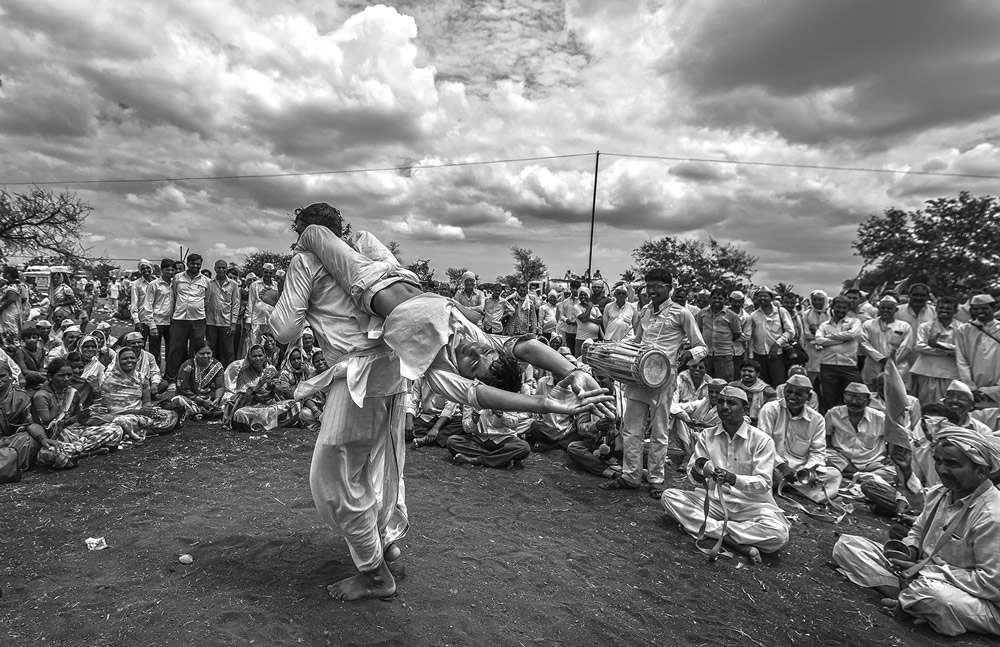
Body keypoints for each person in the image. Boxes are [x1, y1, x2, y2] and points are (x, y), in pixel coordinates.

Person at [275, 205, 613, 602]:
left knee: (332, 481)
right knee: (380, 469)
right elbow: (522, 344)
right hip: (387, 322)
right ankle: (382, 542)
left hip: (364, 369)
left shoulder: (434, 367)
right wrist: (571, 371)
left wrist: (547, 405)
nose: (475, 354)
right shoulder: (467, 331)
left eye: (475, 364)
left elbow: (284, 330)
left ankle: (375, 575)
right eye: (482, 357)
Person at [833, 427, 1000, 636]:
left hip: (979, 599)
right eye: (938, 460)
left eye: (952, 464)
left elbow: (991, 583)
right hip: (921, 574)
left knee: (932, 595)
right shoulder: (939, 494)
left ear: (981, 471)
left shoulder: (993, 515)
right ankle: (909, 598)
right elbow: (919, 530)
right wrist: (910, 549)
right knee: (848, 545)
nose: (942, 470)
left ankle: (911, 597)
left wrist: (924, 570)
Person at [601, 268, 707, 499]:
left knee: (659, 431)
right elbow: (636, 339)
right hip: (639, 376)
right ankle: (630, 475)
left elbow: (702, 346)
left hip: (663, 380)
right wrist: (614, 348)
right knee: (630, 428)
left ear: (669, 288)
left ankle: (656, 479)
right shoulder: (644, 312)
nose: (651, 290)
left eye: (657, 286)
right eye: (648, 286)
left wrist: (690, 354)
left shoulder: (682, 314)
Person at [661, 385, 791, 563]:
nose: (724, 406)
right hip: (714, 501)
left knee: (779, 534)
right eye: (721, 402)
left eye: (731, 403)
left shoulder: (762, 441)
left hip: (750, 505)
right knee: (669, 497)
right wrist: (698, 474)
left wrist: (733, 478)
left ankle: (713, 531)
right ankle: (736, 541)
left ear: (745, 410)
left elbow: (763, 483)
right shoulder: (707, 436)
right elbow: (694, 473)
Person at [757, 374, 841, 502]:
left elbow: (818, 452)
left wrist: (807, 472)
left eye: (798, 394)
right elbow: (762, 444)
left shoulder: (817, 419)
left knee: (834, 474)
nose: (791, 397)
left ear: (809, 397)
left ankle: (787, 486)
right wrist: (781, 466)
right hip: (772, 466)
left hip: (800, 472)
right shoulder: (770, 409)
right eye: (789, 391)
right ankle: (795, 488)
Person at [31, 359, 126, 469]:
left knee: (116, 430)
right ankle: (89, 451)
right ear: (51, 376)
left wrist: (86, 418)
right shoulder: (42, 396)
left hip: (73, 433)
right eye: (61, 375)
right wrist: (74, 419)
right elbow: (48, 428)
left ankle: (76, 452)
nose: (66, 378)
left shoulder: (73, 392)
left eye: (69, 375)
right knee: (48, 455)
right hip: (56, 438)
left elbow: (80, 421)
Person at [99, 347, 181, 440]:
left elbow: (146, 401)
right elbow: (111, 410)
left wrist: (149, 411)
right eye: (125, 359)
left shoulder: (142, 377)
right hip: (121, 416)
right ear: (118, 361)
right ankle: (144, 430)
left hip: (139, 414)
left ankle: (137, 431)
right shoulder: (108, 380)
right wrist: (138, 412)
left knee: (170, 415)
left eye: (132, 358)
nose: (129, 361)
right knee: (122, 421)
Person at [221, 344, 299, 432]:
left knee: (295, 405)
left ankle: (261, 424)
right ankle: (272, 423)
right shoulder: (244, 373)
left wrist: (272, 386)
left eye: (260, 355)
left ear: (265, 356)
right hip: (252, 408)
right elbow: (243, 399)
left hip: (270, 407)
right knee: (240, 415)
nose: (258, 358)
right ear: (249, 357)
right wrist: (258, 386)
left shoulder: (271, 369)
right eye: (254, 356)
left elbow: (281, 392)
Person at [824, 382, 892, 480]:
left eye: (860, 399)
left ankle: (852, 476)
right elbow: (826, 437)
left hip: (872, 463)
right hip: (843, 461)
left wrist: (889, 456)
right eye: (850, 397)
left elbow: (892, 439)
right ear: (844, 398)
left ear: (868, 401)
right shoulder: (833, 414)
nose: (854, 402)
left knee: (894, 472)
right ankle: (863, 477)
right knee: (825, 454)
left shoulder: (880, 418)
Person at [814, 295, 863, 412]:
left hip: (849, 366)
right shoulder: (824, 325)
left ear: (848, 309)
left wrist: (829, 339)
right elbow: (819, 340)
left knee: (853, 396)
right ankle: (830, 426)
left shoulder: (855, 321)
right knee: (829, 398)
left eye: (844, 308)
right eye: (838, 307)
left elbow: (852, 335)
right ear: (832, 307)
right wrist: (843, 339)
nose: (841, 310)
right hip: (828, 365)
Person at [166, 253, 211, 382]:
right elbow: (173, 297)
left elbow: (207, 300)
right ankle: (171, 377)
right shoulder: (177, 278)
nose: (195, 266)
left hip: (198, 319)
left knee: (195, 350)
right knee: (176, 349)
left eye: (198, 264)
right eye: (193, 263)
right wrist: (172, 316)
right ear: (188, 263)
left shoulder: (206, 281)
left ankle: (192, 377)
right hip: (180, 318)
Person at [911, 297, 960, 408]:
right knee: (925, 403)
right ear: (936, 309)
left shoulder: (962, 328)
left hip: (951, 372)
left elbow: (962, 350)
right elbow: (919, 346)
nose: (944, 310)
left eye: (948, 308)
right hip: (927, 370)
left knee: (949, 403)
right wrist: (947, 352)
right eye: (941, 307)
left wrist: (937, 345)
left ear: (955, 311)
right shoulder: (925, 326)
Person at [448, 405, 531, 469]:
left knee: (524, 447)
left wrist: (502, 415)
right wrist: (474, 420)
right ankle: (504, 458)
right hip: (479, 440)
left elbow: (514, 425)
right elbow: (467, 429)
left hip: (503, 439)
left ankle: (476, 460)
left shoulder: (504, 396)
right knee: (452, 441)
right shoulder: (471, 399)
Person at [955, 294, 1000, 409]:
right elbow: (961, 360)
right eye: (976, 308)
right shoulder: (963, 330)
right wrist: (970, 387)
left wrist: (995, 390)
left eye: (984, 308)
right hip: (974, 389)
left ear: (994, 308)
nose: (980, 311)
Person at [0, 363, 47, 470]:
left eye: (2, 376)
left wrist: (43, 439)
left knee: (29, 441)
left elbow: (30, 423)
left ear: (10, 375)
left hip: (10, 442)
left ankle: (8, 466)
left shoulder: (21, 397)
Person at [748, 286, 796, 387]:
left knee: (778, 384)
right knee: (760, 385)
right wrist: (751, 356)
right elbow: (751, 338)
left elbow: (790, 331)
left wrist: (777, 344)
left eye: (765, 296)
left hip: (777, 355)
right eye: (760, 296)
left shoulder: (781, 311)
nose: (762, 298)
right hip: (759, 355)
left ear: (771, 298)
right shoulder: (754, 315)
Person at [860, 296, 913, 386]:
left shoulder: (904, 326)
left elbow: (906, 347)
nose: (885, 310)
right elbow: (864, 343)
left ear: (896, 310)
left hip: (897, 366)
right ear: (878, 308)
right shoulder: (868, 325)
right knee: (872, 394)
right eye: (883, 307)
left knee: (897, 395)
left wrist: (890, 362)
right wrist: (881, 359)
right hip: (873, 365)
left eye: (889, 308)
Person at [696, 288, 742, 382]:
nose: (717, 300)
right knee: (705, 381)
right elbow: (699, 330)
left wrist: (724, 340)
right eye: (714, 298)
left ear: (725, 300)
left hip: (724, 355)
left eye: (720, 298)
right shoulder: (702, 313)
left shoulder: (732, 315)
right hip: (706, 354)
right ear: (710, 299)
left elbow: (737, 333)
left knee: (723, 382)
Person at [407, 376, 463, 448]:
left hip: (448, 419)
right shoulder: (420, 378)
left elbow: (449, 408)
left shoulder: (449, 378)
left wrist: (435, 428)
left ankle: (425, 439)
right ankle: (438, 437)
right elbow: (413, 401)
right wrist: (409, 421)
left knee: (461, 424)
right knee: (404, 426)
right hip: (428, 418)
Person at [173, 344, 225, 419]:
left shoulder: (216, 366)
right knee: (178, 400)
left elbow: (220, 386)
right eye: (202, 353)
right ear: (195, 354)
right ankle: (206, 413)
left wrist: (217, 399)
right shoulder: (187, 366)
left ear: (212, 352)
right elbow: (182, 389)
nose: (206, 356)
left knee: (227, 398)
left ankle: (196, 413)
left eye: (208, 353)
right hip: (190, 398)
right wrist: (202, 402)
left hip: (209, 398)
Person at [144, 259, 176, 369]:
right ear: (161, 270)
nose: (170, 272)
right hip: (157, 322)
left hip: (171, 322)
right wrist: (152, 326)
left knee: (171, 351)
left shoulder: (175, 284)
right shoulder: (154, 285)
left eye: (172, 270)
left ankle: (169, 376)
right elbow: (148, 305)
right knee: (154, 352)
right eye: (167, 270)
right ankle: (154, 375)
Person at [732, 359, 776, 425]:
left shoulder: (769, 391)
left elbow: (772, 412)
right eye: (744, 371)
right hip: (735, 422)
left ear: (757, 374)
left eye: (750, 371)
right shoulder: (733, 387)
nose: (746, 373)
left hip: (759, 424)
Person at [802, 290, 830, 386]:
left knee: (827, 384)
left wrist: (816, 331)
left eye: (820, 300)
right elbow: (806, 334)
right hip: (811, 353)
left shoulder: (831, 314)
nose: (817, 302)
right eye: (815, 300)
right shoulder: (807, 314)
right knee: (809, 383)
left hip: (827, 354)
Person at [248, 263, 279, 346]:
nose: (268, 274)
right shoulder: (254, 285)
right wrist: (248, 320)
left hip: (272, 320)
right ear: (262, 272)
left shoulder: (277, 285)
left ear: (273, 273)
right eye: (266, 272)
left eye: (270, 273)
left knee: (270, 345)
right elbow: (250, 302)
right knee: (255, 344)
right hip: (257, 320)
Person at [129, 261, 155, 345]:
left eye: (148, 268)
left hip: (156, 320)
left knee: (155, 346)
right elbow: (134, 303)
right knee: (139, 345)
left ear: (151, 268)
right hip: (142, 319)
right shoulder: (136, 284)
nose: (146, 270)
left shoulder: (157, 282)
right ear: (140, 270)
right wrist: (137, 321)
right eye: (143, 269)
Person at [573, 287, 602, 357]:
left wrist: (589, 319)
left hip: (594, 339)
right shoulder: (576, 307)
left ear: (588, 296)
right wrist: (589, 307)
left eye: (585, 295)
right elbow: (583, 319)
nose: (583, 297)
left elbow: (600, 320)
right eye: (581, 295)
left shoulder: (595, 308)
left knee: (593, 359)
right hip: (582, 339)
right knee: (580, 358)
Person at [0, 267, 23, 343]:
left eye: (4, 272)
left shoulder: (12, 286)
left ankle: (12, 346)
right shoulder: (12, 284)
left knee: (10, 330)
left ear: (8, 274)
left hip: (9, 312)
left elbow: (11, 299)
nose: (2, 274)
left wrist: (1, 307)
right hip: (11, 311)